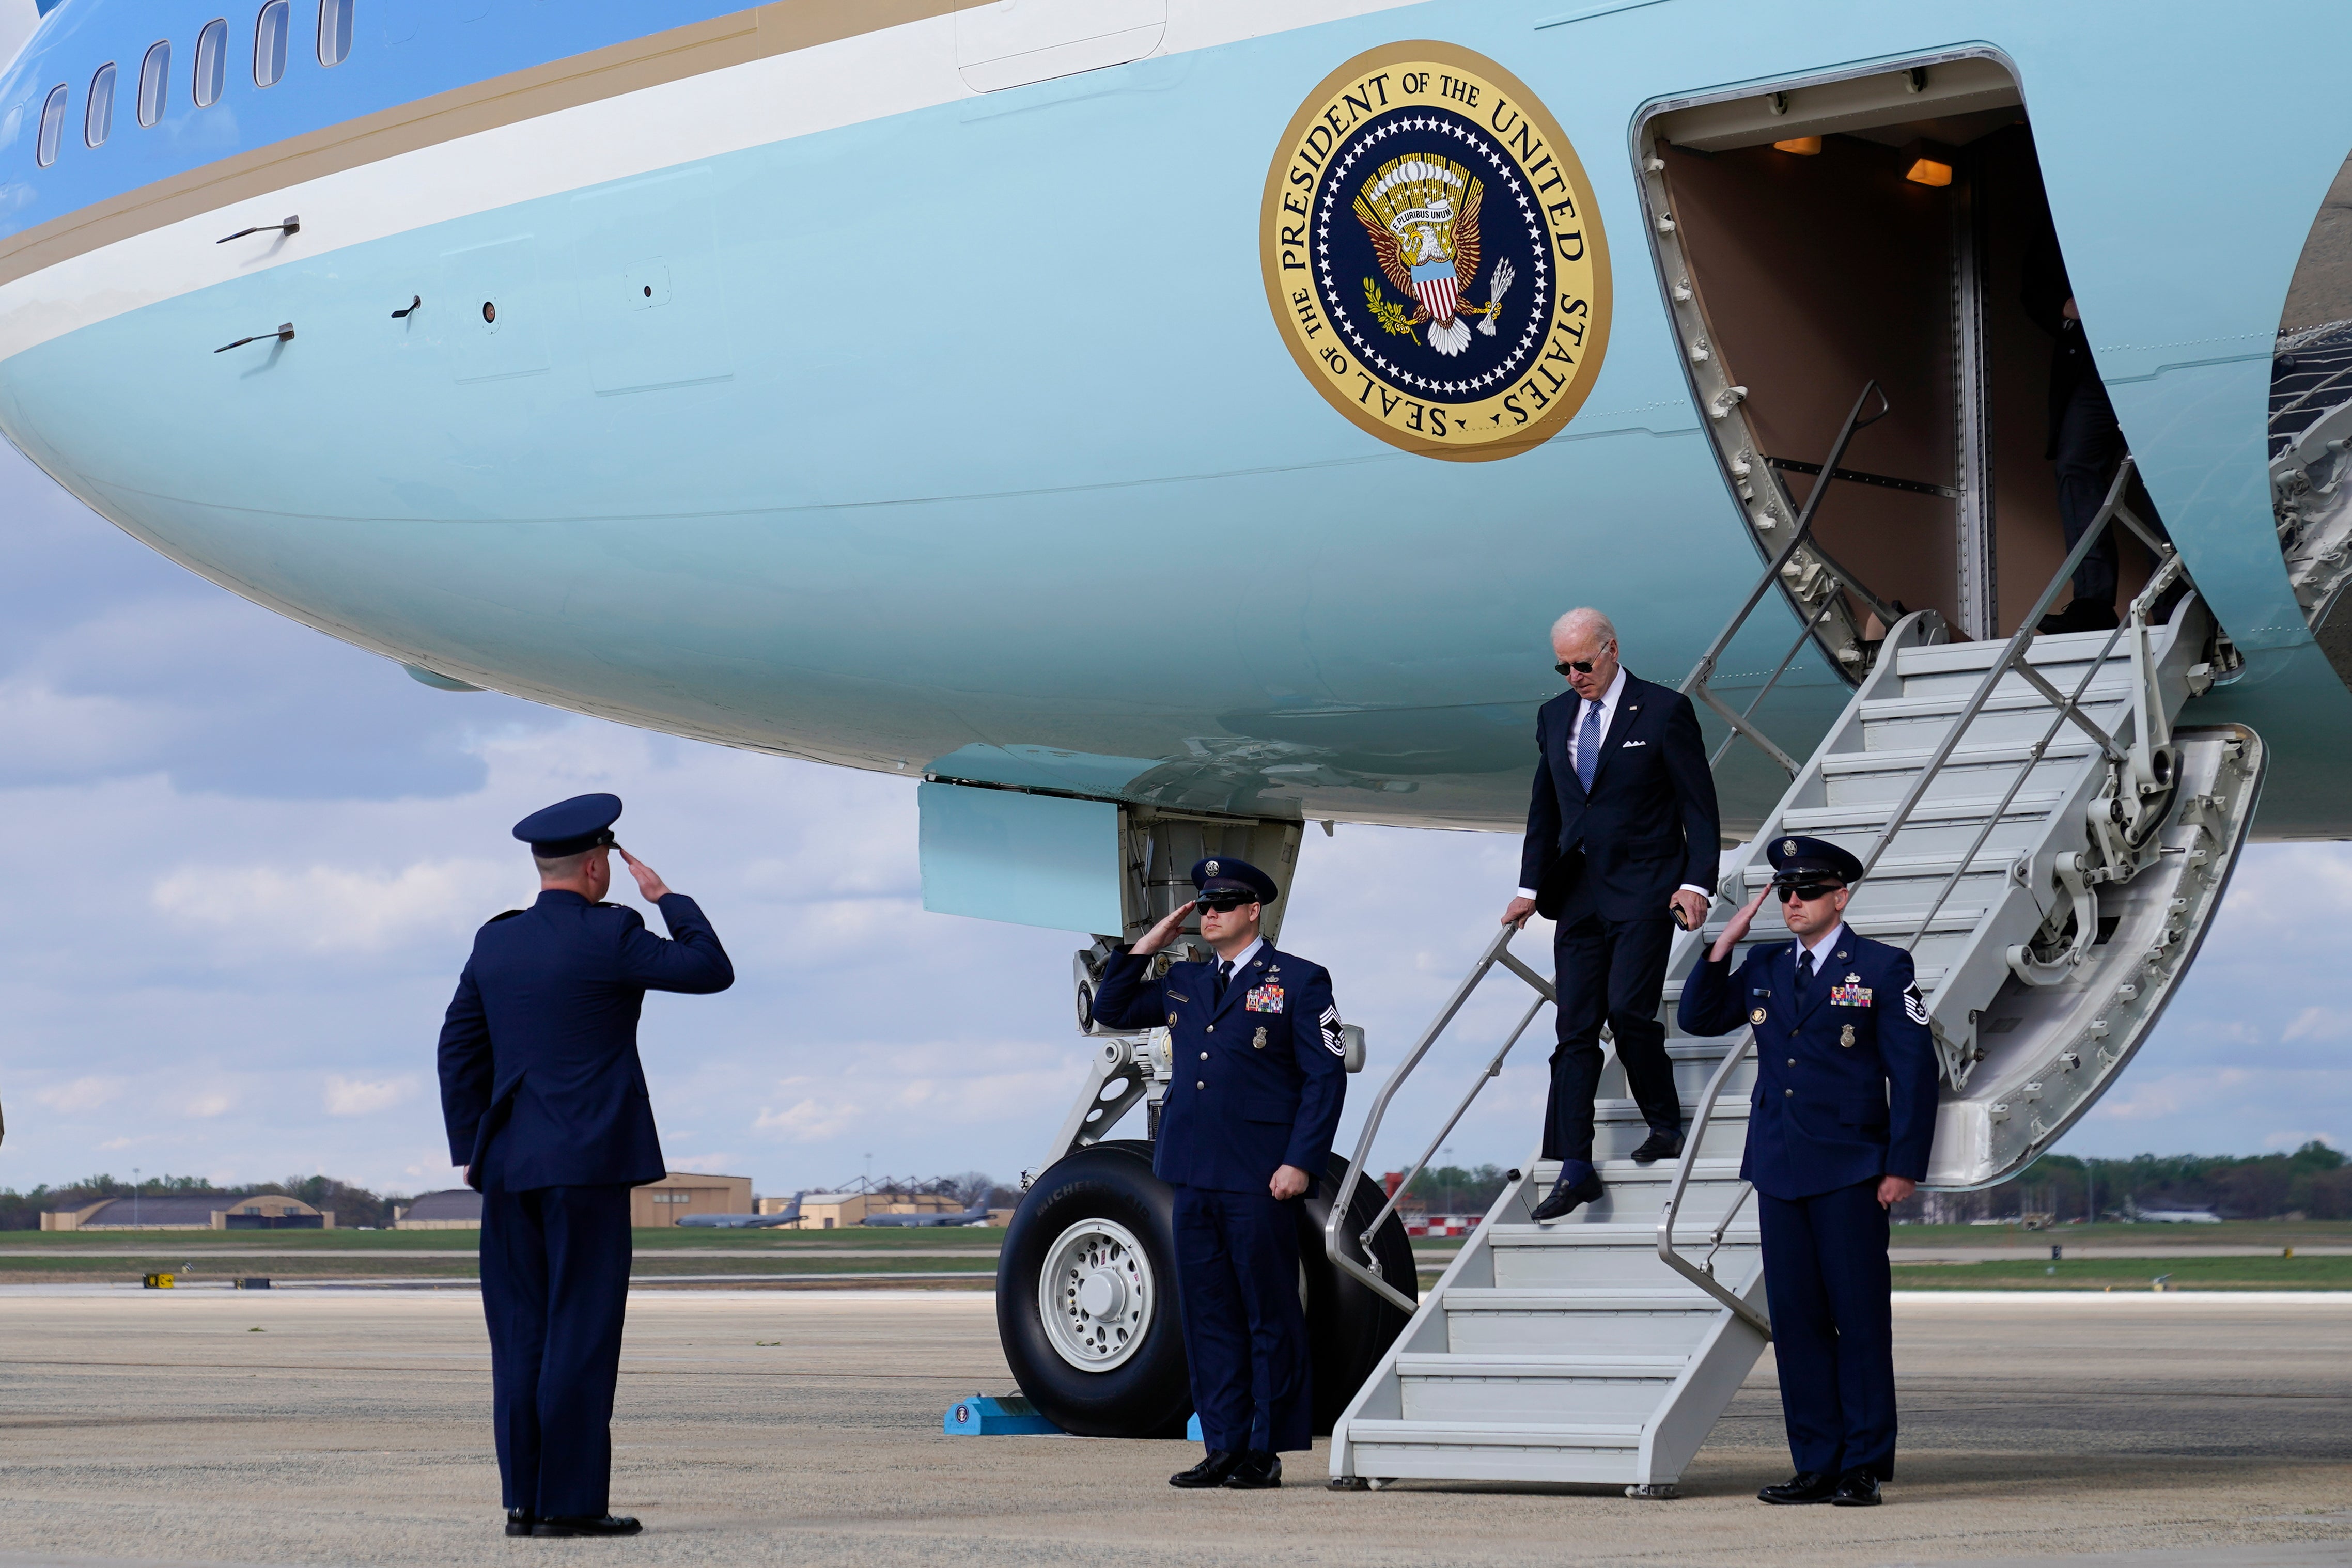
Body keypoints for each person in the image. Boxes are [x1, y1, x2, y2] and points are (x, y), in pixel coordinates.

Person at [437, 792, 734, 1539]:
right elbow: (710, 970)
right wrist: (668, 898)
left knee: (520, 1336)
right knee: (581, 1332)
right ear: (599, 866)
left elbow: (457, 1047)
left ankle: (523, 1504)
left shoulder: (495, 942)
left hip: (507, 1168)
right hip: (588, 1165)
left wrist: (472, 1149)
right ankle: (570, 1506)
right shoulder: (613, 932)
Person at [1676, 835, 1938, 1508]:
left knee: (1858, 1320)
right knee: (1796, 1323)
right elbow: (1700, 1017)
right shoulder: (1764, 965)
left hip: (1851, 1169)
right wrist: (1720, 944)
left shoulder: (1881, 967)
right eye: (1785, 893)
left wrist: (1902, 1165)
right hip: (1780, 1168)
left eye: (1807, 893)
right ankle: (1815, 1463)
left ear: (1839, 897)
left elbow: (1913, 1074)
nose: (1793, 903)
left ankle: (1862, 1467)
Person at [1089, 856, 1347, 1492]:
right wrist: (1147, 943)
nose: (1208, 914)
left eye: (1221, 905)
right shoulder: (1186, 982)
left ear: (1253, 911)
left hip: (1260, 1176)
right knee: (1208, 1316)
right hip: (1192, 1172)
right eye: (1202, 906)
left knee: (1268, 1314)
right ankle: (1223, 1445)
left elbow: (1324, 1078)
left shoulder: (1298, 980)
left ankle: (1266, 1449)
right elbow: (1112, 1006)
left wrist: (1301, 1162)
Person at [1503, 608, 1720, 1222]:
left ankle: (1663, 1122)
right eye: (1562, 666)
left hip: (1646, 889)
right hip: (1576, 894)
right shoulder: (1552, 718)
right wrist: (1527, 887)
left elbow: (1697, 807)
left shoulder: (1663, 711)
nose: (1573, 676)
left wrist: (1694, 882)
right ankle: (1574, 1167)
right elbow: (1544, 809)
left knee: (1627, 1011)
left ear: (1611, 650)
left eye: (1582, 663)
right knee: (1572, 1031)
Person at [2023, 224, 2170, 634]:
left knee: (2159, 470)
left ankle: (2175, 595)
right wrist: (2064, 307)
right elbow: (2035, 289)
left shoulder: (2151, 210)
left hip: (2155, 359)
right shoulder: (2064, 220)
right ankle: (2091, 602)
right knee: (2074, 465)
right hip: (2092, 365)